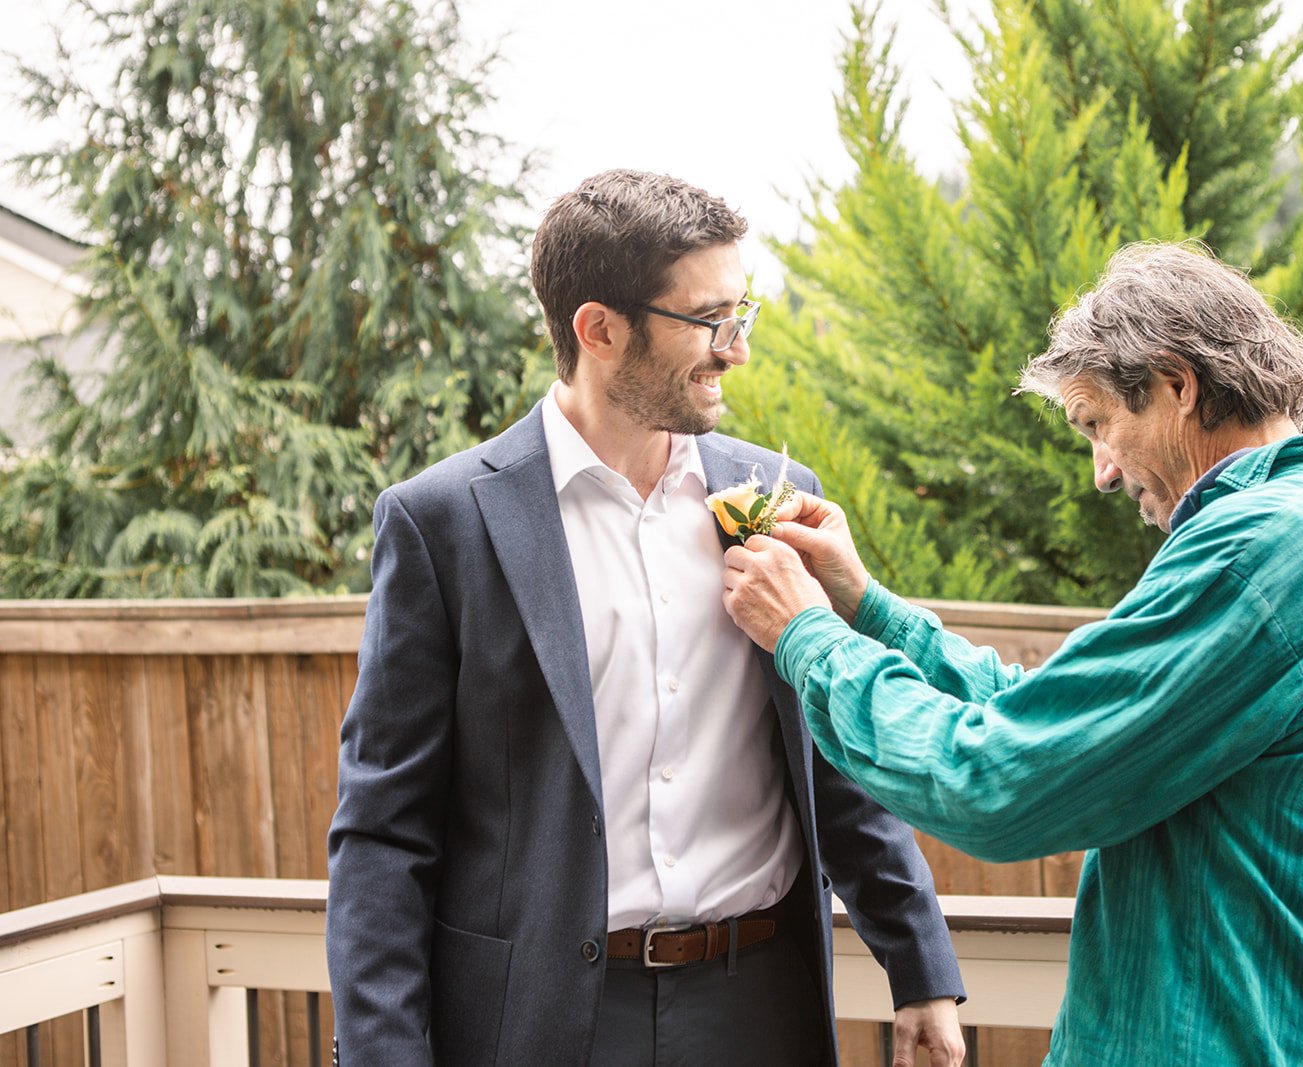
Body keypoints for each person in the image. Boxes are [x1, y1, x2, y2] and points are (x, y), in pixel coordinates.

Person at [720, 241, 1303, 1066]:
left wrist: (809, 638)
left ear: (1178, 384)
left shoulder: (1261, 554)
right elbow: (1057, 716)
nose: (1102, 471)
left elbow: (998, 781)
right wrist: (868, 607)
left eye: (1099, 423)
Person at [326, 170, 966, 1066]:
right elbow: (384, 830)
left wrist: (919, 965)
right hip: (548, 1022)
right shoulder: (445, 524)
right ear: (600, 329)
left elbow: (836, 757)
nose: (736, 349)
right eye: (710, 322)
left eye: (743, 315)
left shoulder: (779, 500)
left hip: (763, 1007)